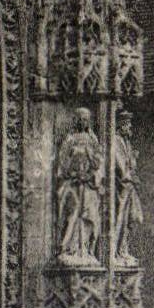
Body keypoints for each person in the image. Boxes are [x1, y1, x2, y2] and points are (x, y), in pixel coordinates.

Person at [55, 107, 104, 266]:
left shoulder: (93, 139)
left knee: (89, 216)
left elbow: (99, 163)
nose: (83, 122)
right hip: (73, 185)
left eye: (86, 119)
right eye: (80, 118)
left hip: (89, 185)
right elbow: (62, 163)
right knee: (73, 215)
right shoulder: (70, 139)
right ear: (75, 120)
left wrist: (90, 175)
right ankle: (70, 249)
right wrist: (74, 174)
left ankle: (86, 250)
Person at [112, 109, 142, 267]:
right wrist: (128, 175)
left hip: (128, 188)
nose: (129, 127)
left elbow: (130, 164)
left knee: (129, 220)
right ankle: (115, 252)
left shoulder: (126, 142)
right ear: (120, 125)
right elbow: (120, 165)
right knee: (119, 219)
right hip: (121, 188)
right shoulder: (116, 140)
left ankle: (122, 250)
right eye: (127, 124)